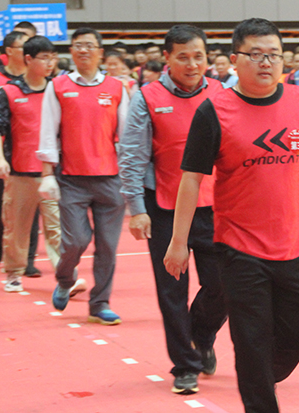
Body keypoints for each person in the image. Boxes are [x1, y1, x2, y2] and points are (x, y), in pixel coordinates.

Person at [164, 18, 299, 413]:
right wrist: (178, 242)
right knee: (251, 342)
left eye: (274, 55)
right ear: (234, 60)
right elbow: (190, 180)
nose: (266, 62)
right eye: (256, 54)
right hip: (239, 250)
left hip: (295, 247)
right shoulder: (214, 111)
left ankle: (261, 374)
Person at [118, 25, 227, 395]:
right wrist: (136, 208)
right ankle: (185, 365)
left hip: (216, 206)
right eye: (183, 57)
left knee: (223, 284)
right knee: (172, 292)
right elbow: (132, 155)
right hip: (163, 206)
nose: (192, 64)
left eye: (198, 56)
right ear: (167, 58)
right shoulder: (146, 97)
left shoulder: (222, 93)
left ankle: (202, 335)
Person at [37, 28, 129, 326]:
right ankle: (65, 279)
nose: (84, 50)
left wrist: (130, 178)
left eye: (89, 45)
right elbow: (48, 132)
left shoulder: (116, 87)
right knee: (76, 240)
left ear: (100, 52)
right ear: (72, 51)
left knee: (107, 247)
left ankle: (100, 303)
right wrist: (47, 173)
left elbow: (127, 136)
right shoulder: (58, 86)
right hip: (71, 179)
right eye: (78, 45)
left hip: (110, 180)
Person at [0, 36, 71, 293]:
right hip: (20, 173)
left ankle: (66, 278)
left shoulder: (58, 90)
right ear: (28, 59)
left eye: (53, 57)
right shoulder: (9, 92)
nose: (50, 63)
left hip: (53, 174)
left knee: (58, 229)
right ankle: (14, 273)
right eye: (44, 58)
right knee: (17, 229)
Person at [0, 31, 40, 274]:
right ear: (9, 51)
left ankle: (28, 258)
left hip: (30, 152)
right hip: (0, 153)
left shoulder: (37, 78)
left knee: (30, 207)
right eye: (23, 46)